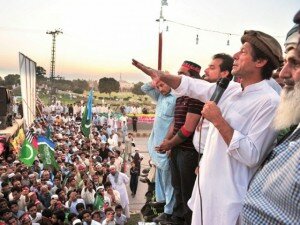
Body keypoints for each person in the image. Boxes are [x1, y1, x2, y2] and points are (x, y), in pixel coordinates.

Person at [132, 29, 283, 225]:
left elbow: (252, 155)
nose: (235, 56)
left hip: (229, 201)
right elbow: (192, 86)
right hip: (206, 192)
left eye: (243, 52)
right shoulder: (230, 89)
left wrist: (218, 120)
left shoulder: (269, 102)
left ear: (260, 62)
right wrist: (162, 75)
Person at [242, 17, 300, 224]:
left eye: (295, 62)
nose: (283, 73)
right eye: (285, 62)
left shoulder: (269, 100)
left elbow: (251, 154)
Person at [141, 77, 177, 224]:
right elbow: (144, 88)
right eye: (158, 86)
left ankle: (169, 211)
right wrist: (155, 81)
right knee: (161, 178)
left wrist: (170, 144)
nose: (160, 88)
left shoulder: (176, 98)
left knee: (169, 181)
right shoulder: (160, 96)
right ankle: (162, 201)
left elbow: (176, 123)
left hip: (166, 144)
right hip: (155, 144)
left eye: (163, 85)